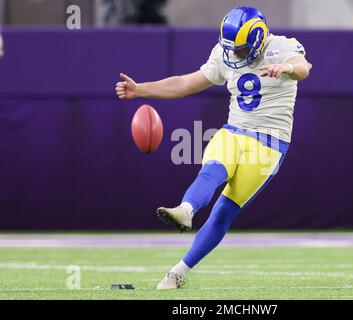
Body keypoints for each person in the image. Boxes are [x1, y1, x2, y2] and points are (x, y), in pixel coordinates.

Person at [115, 6, 311, 289]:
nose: (235, 55)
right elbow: (185, 83)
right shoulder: (226, 52)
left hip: (271, 142)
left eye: (241, 50)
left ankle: (178, 272)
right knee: (212, 170)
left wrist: (288, 68)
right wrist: (140, 89)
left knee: (223, 213)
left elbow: (303, 68)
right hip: (235, 130)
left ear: (257, 39)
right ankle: (186, 209)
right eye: (231, 49)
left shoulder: (283, 46)